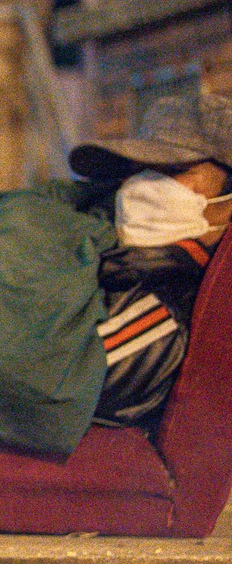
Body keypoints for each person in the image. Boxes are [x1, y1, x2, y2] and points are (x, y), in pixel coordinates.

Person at [73, 91, 232, 426]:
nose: (140, 185)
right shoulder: (110, 257)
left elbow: (41, 378)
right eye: (138, 168)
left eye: (172, 169)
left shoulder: (167, 309)